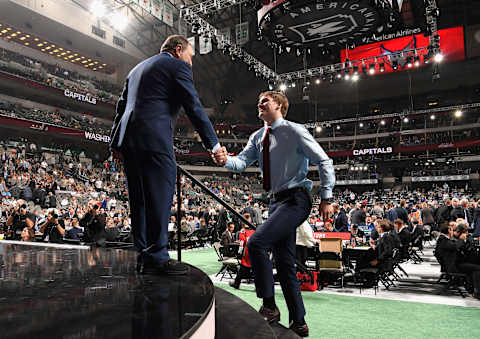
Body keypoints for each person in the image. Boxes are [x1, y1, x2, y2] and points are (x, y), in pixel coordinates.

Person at [215, 91, 335, 337]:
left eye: (265, 100)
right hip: (276, 203)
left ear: (279, 105)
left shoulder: (295, 130)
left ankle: (269, 306)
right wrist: (225, 159)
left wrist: (327, 197)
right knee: (284, 263)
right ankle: (299, 321)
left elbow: (324, 161)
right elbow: (240, 163)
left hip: (296, 199)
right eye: (258, 99)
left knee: (257, 242)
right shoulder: (258, 136)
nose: (259, 103)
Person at [109, 35, 223, 275]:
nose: (190, 63)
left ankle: (143, 254)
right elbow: (193, 106)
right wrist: (213, 145)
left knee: (138, 199)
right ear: (179, 49)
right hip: (154, 137)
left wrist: (115, 144)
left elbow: (121, 109)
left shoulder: (136, 69)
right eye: (190, 56)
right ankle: (158, 257)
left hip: (128, 140)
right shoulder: (176, 65)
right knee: (159, 194)